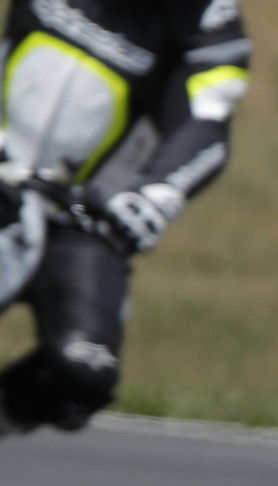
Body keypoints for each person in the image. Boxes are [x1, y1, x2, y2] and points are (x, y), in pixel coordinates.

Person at [0, 0, 251, 435]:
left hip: (87, 219)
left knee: (83, 374)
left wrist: (152, 198)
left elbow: (208, 123)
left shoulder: (210, 19)